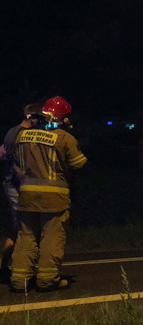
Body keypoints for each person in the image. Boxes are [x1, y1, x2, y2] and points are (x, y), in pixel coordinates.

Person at [10, 97, 87, 293]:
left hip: (26, 196)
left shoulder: (22, 137)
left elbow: (17, 163)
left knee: (26, 237)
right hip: (55, 199)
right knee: (51, 238)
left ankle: (20, 281)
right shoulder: (65, 138)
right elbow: (79, 165)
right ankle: (47, 280)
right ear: (63, 118)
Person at [0, 103, 43, 282]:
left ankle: (5, 265)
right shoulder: (16, 133)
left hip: (21, 184)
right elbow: (12, 160)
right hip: (15, 184)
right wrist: (24, 176)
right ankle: (18, 270)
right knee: (24, 226)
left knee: (21, 227)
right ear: (31, 117)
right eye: (39, 119)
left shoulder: (21, 133)